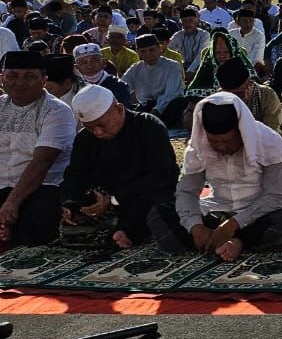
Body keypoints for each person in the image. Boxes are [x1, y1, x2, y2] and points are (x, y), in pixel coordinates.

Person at [149, 93, 282, 261]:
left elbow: (276, 196)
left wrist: (233, 225)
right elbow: (186, 192)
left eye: (228, 141)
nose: (221, 147)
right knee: (158, 213)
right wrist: (195, 227)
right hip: (215, 212)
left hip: (258, 214)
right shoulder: (199, 145)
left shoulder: (269, 142)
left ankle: (238, 241)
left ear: (242, 130)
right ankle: (217, 241)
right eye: (214, 142)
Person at [60, 85, 179, 249]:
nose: (98, 132)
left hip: (139, 194)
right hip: (102, 198)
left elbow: (161, 175)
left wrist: (114, 199)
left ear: (119, 109)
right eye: (90, 127)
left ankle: (125, 232)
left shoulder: (148, 126)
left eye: (102, 125)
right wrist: (70, 202)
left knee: (152, 206)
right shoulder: (85, 138)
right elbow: (75, 174)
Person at [0, 51, 76, 244]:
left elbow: (42, 162)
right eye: (12, 76)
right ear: (2, 79)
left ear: (44, 80)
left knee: (39, 214)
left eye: (30, 76)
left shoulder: (56, 110)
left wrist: (11, 203)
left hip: (39, 189)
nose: (20, 83)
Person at [122, 34, 186, 128]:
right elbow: (122, 86)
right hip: (146, 106)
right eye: (143, 51)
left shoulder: (173, 66)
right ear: (138, 53)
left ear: (159, 49)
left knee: (177, 103)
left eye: (151, 50)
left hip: (168, 107)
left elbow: (171, 94)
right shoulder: (136, 68)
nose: (148, 54)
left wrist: (155, 111)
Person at [216, 56, 282, 135]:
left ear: (250, 84)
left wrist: (243, 108)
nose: (233, 98)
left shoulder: (267, 95)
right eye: (228, 95)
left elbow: (270, 131)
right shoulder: (218, 99)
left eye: (238, 94)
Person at [172, 6, 211, 80]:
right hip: (182, 69)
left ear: (196, 21)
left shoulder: (204, 35)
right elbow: (170, 50)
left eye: (191, 21)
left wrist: (191, 70)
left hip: (200, 68)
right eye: (184, 21)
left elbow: (201, 54)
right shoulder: (178, 35)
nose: (188, 24)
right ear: (181, 23)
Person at [229, 8, 268, 77]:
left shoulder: (259, 36)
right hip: (232, 68)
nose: (248, 24)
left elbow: (256, 58)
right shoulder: (231, 34)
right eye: (244, 21)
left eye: (251, 21)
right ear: (238, 22)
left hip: (252, 70)